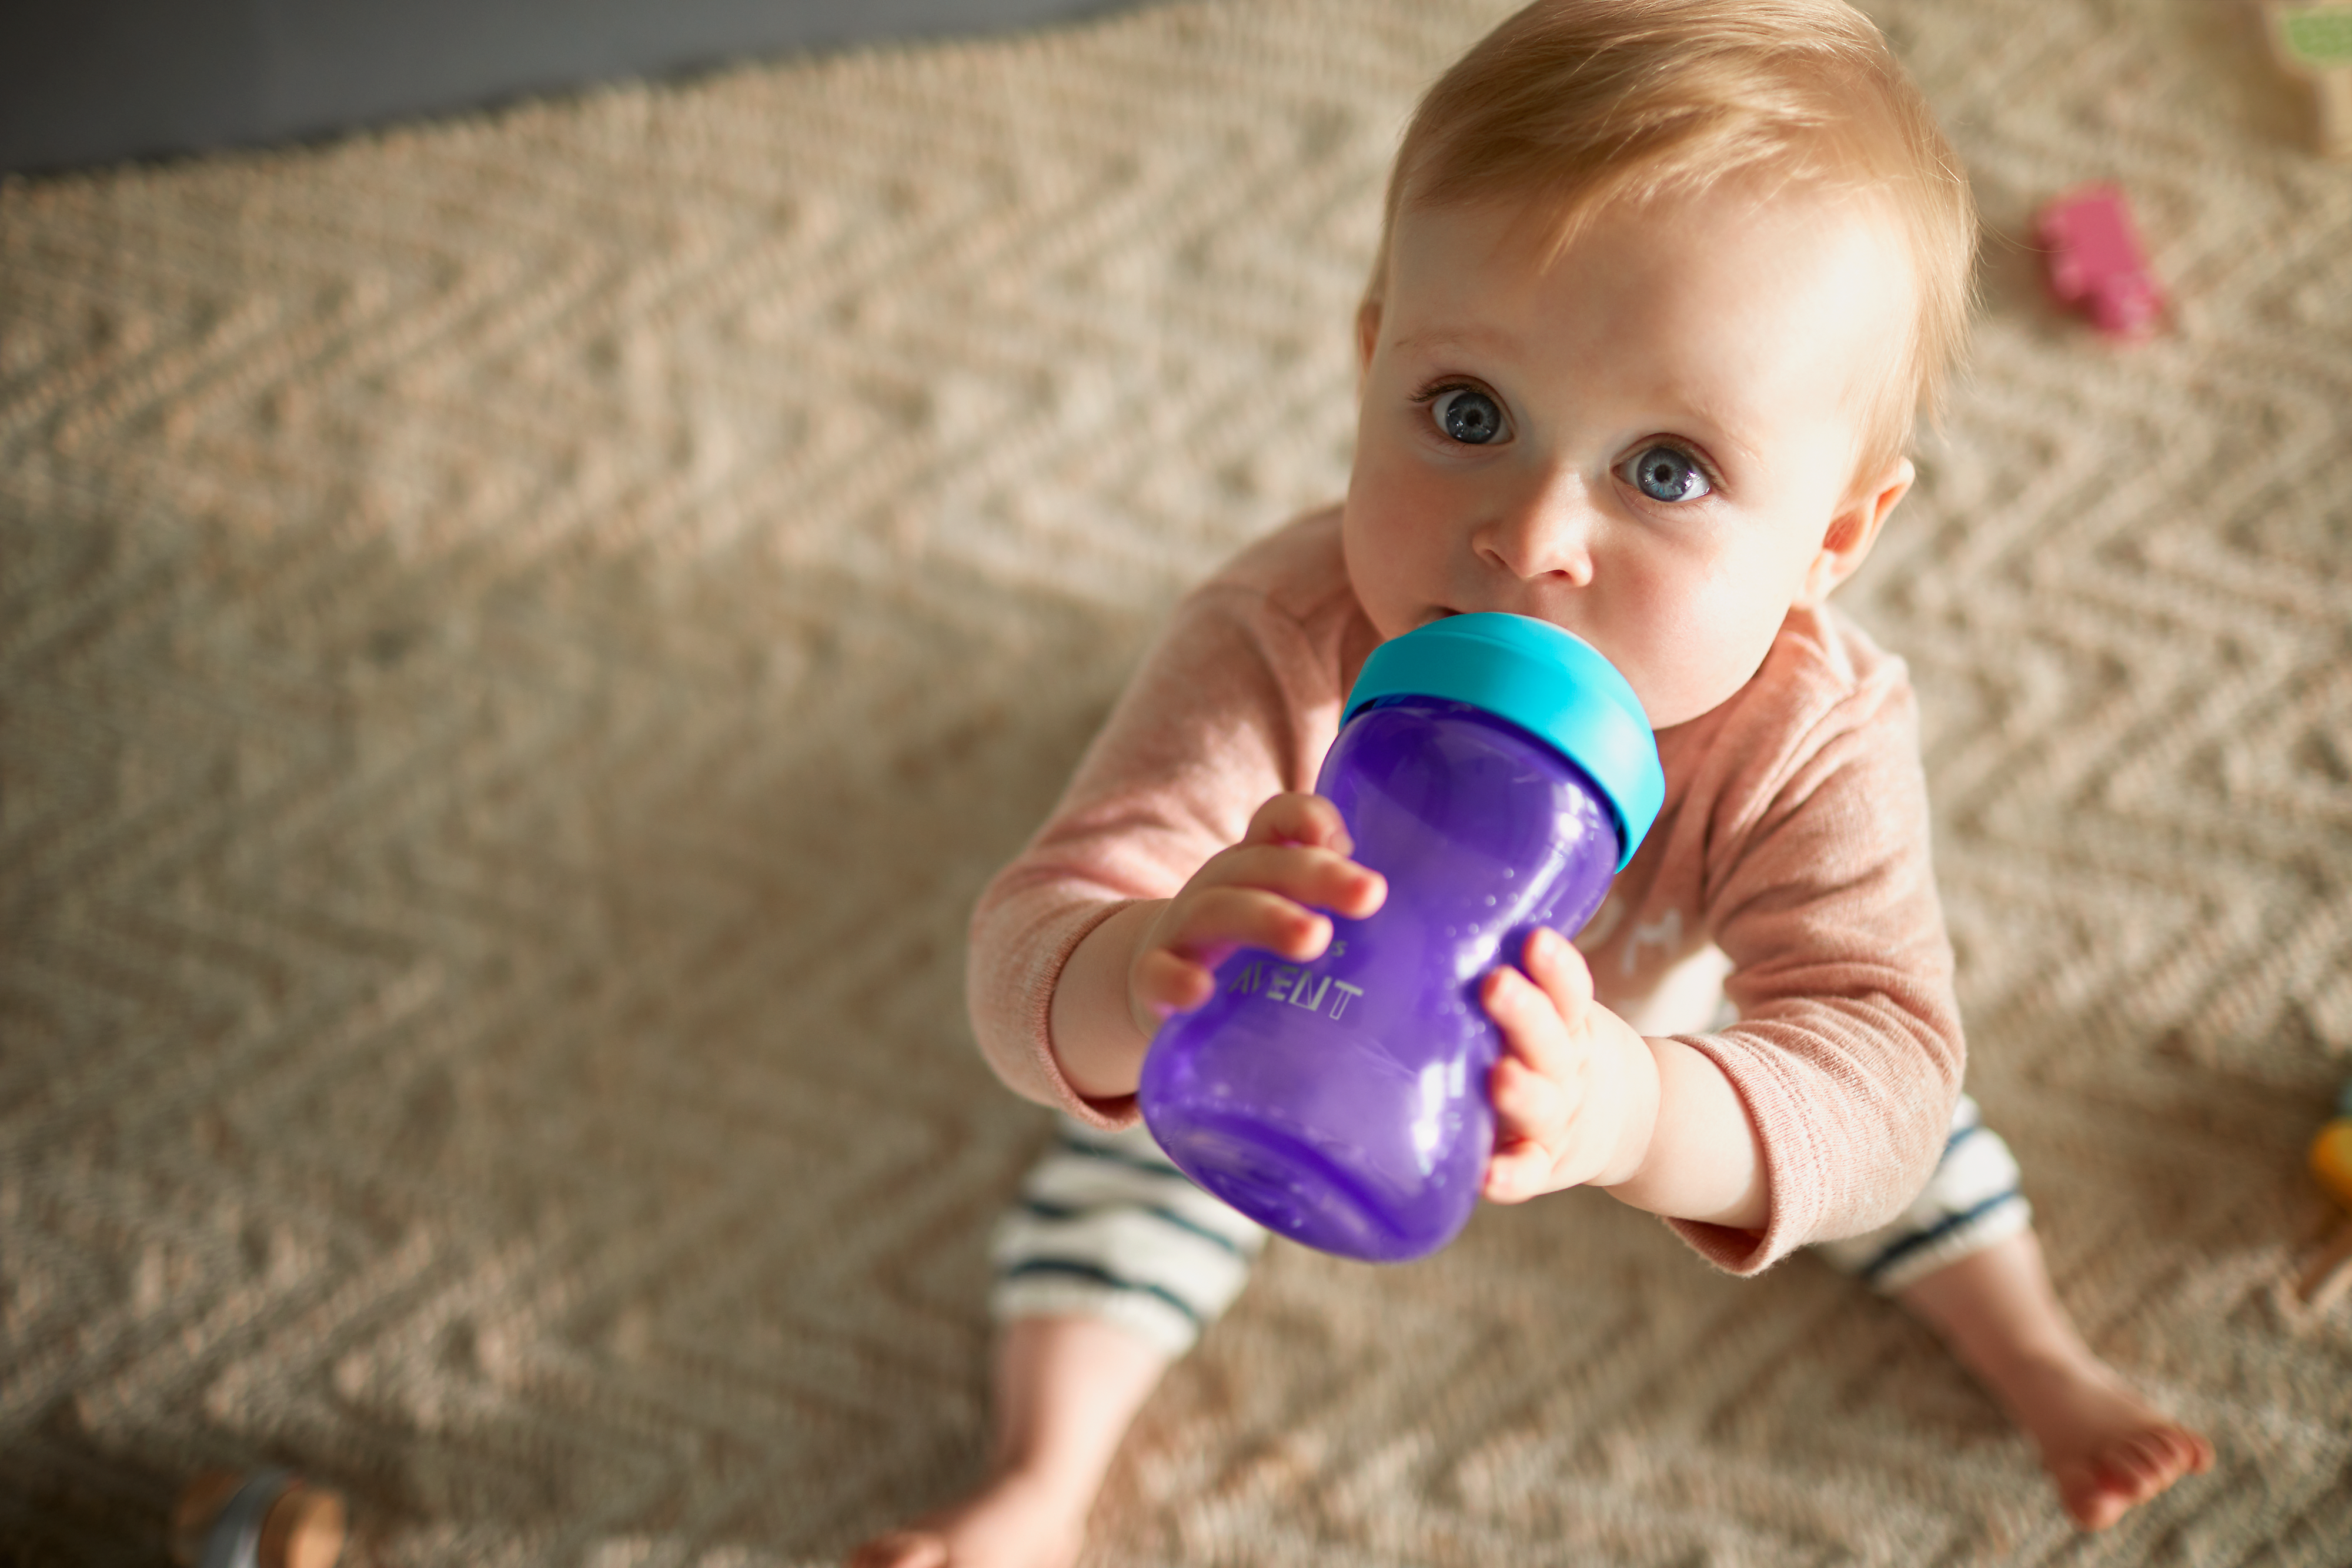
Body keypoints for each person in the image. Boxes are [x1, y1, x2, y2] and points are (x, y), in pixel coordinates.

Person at [851, 3, 2213, 1562]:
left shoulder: (1808, 736)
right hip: (1297, 1010)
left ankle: (2038, 1359)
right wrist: (1137, 964)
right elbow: (1031, 937)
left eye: (1668, 469)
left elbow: (1881, 1065)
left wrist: (1640, 1110)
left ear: (1831, 540)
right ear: (1373, 363)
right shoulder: (1279, 638)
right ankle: (1043, 1475)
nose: (1532, 536)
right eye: (1467, 415)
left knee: (1919, 1145)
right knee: (1127, 1158)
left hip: (1664, 1035)